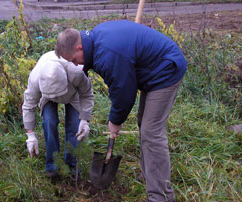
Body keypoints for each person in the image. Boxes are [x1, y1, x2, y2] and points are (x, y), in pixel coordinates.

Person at [55, 20, 187, 202]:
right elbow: (122, 85)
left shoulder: (107, 55)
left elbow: (124, 92)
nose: (76, 65)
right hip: (151, 70)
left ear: (79, 48)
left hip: (165, 71)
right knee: (144, 124)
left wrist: (115, 121)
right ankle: (149, 176)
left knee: (151, 132)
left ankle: (161, 196)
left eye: (74, 60)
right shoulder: (96, 38)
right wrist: (116, 117)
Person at [22, 51, 94, 181]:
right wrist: (30, 135)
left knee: (74, 126)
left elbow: (87, 95)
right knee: (49, 122)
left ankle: (72, 167)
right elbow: (28, 106)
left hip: (72, 95)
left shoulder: (76, 72)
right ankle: (52, 167)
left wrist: (84, 119)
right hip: (47, 96)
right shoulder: (35, 78)